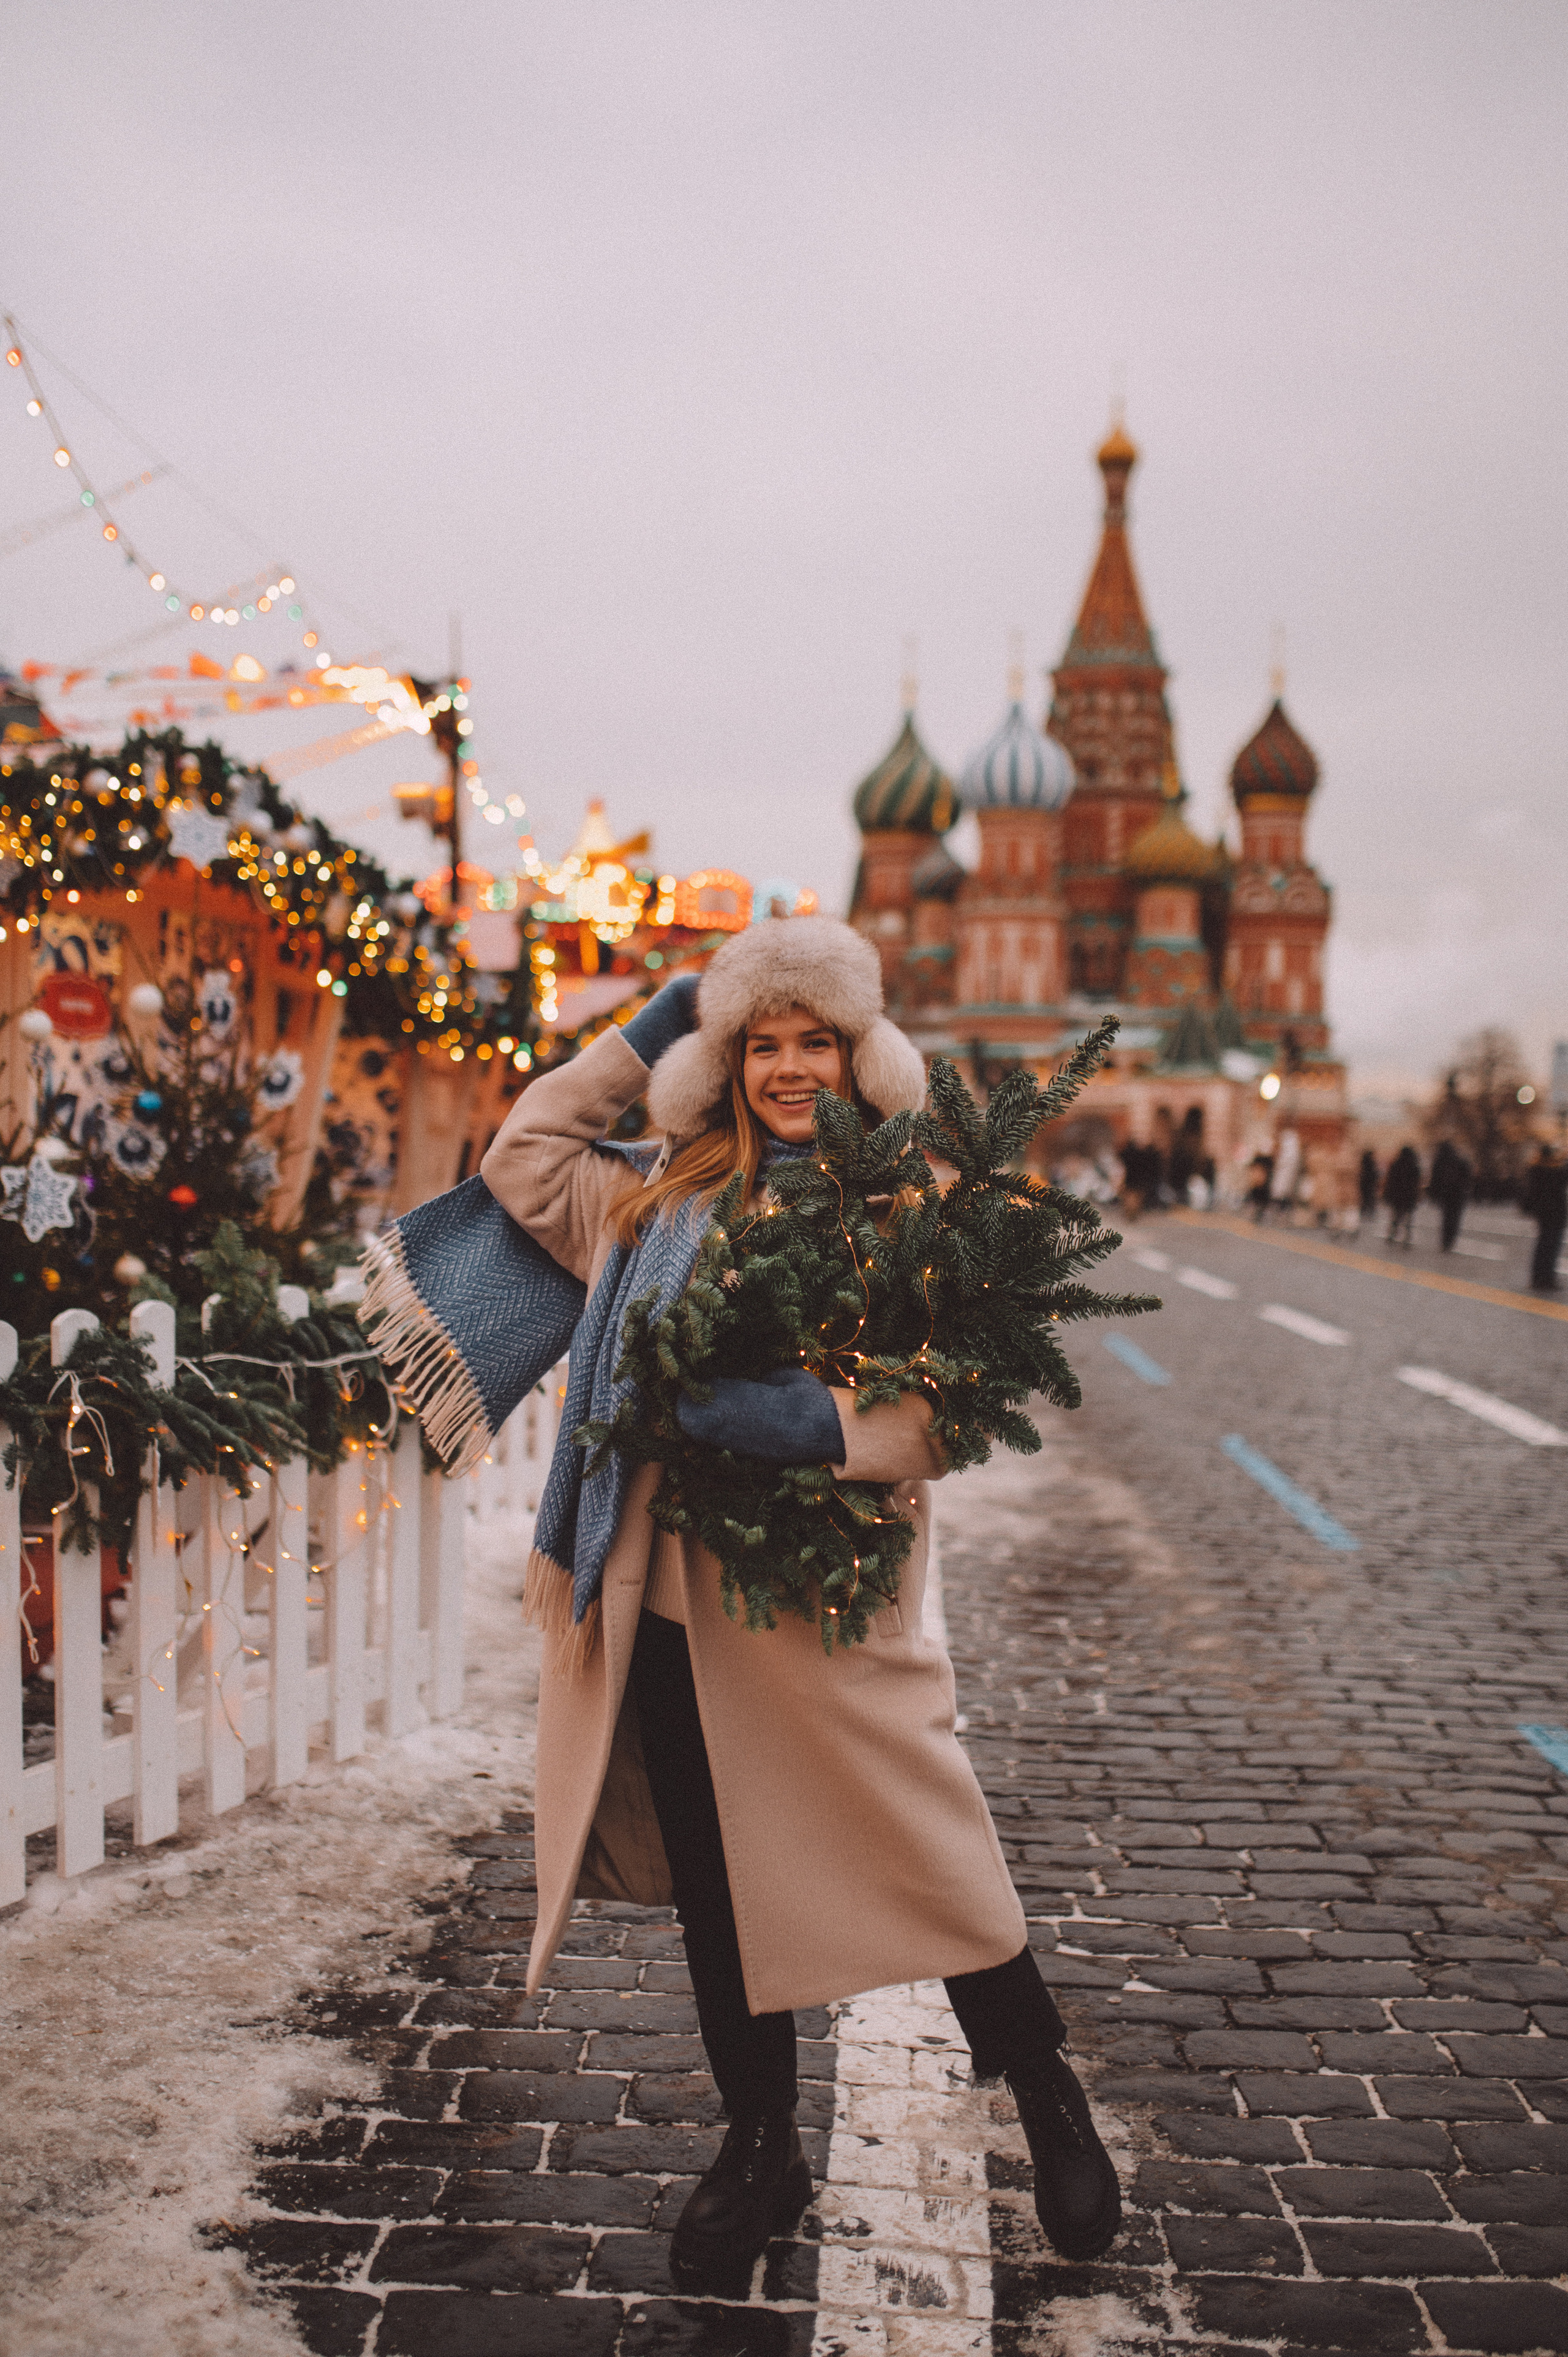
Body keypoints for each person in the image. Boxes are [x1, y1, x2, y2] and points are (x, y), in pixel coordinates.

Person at [478, 918, 1121, 2285]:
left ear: (853, 1052)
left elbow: (955, 1401)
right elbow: (520, 1157)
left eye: (808, 1041)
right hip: (669, 1606)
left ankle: (1043, 2088)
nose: (784, 1069)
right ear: (724, 1062)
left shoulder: (899, 1207)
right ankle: (760, 2141)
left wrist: (811, 1422)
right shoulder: (654, 1198)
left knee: (925, 1839)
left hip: (826, 1602)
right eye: (756, 1043)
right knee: (719, 1891)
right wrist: (650, 1027)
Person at [1520, 1142, 1567, 1293]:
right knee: (1551, 1247)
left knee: (1543, 1245)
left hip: (1543, 1214)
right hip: (1556, 1215)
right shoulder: (1554, 1172)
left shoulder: (1535, 1170)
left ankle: (1538, 1277)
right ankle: (1546, 1278)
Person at [1427, 1137, 1474, 1254]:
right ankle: (1450, 1240)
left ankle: (1446, 1241)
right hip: (1459, 1194)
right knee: (1455, 1218)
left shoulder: (1440, 1161)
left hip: (1446, 1194)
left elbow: (1435, 1180)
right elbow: (1468, 1176)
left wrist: (1434, 1194)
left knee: (1446, 1218)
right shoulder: (1461, 1160)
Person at [1383, 1143, 1422, 1247]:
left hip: (1398, 1195)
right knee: (1409, 1219)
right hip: (1409, 1195)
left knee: (1396, 1216)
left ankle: (1392, 1234)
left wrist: (1388, 1194)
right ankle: (1407, 1237)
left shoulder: (1396, 1164)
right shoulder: (1415, 1165)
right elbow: (1417, 1182)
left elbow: (1390, 1181)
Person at [1357, 1148, 1379, 1225]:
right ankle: (1368, 1214)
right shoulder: (1371, 1164)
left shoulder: (1363, 1163)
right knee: (1369, 1200)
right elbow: (1374, 1175)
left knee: (1365, 1200)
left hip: (1365, 1185)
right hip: (1369, 1185)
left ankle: (1365, 1213)